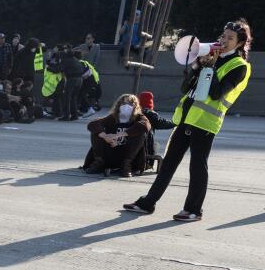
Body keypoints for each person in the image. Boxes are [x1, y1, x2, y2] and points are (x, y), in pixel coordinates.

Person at [124, 20, 252, 221]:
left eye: (230, 38)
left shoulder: (240, 66)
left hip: (205, 122)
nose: (224, 40)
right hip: (186, 118)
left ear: (239, 43)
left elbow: (218, 93)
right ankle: (147, 203)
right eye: (223, 36)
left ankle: (193, 209)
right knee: (168, 164)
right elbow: (185, 89)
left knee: (198, 165)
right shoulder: (210, 58)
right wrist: (196, 66)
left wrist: (210, 68)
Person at [83, 94, 152, 177]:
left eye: (130, 104)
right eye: (123, 104)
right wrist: (105, 136)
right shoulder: (113, 118)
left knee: (140, 134)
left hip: (128, 154)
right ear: (118, 105)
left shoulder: (139, 117)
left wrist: (117, 135)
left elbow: (145, 126)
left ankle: (126, 165)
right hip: (112, 151)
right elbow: (93, 124)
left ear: (135, 106)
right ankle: (99, 162)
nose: (126, 106)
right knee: (97, 132)